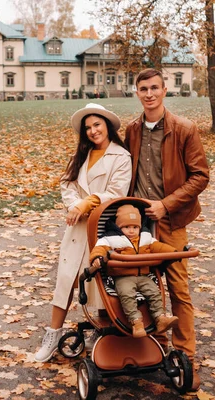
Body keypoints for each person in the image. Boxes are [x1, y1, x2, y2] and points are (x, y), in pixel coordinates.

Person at [124, 68, 210, 391]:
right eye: (143, 88)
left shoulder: (184, 129)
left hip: (171, 221)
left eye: (154, 88)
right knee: (142, 284)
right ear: (137, 92)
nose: (149, 94)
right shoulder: (132, 130)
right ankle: (155, 349)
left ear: (165, 89)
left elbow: (200, 176)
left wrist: (166, 204)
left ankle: (187, 358)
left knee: (178, 289)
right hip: (138, 226)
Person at [34, 103, 132, 362]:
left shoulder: (121, 156)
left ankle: (102, 334)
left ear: (107, 126)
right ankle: (53, 334)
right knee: (65, 280)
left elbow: (118, 192)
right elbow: (67, 183)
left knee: (100, 283)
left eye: (97, 125)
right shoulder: (83, 154)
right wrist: (74, 205)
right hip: (76, 227)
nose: (92, 131)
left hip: (102, 228)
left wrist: (88, 203)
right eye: (88, 128)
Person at [89, 204, 179, 338]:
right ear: (119, 227)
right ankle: (136, 322)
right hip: (122, 277)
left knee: (154, 292)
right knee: (127, 295)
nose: (131, 231)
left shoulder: (145, 238)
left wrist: (175, 252)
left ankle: (160, 318)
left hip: (144, 275)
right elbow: (99, 249)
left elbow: (159, 247)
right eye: (127, 227)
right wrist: (97, 258)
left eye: (135, 227)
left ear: (139, 227)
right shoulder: (111, 239)